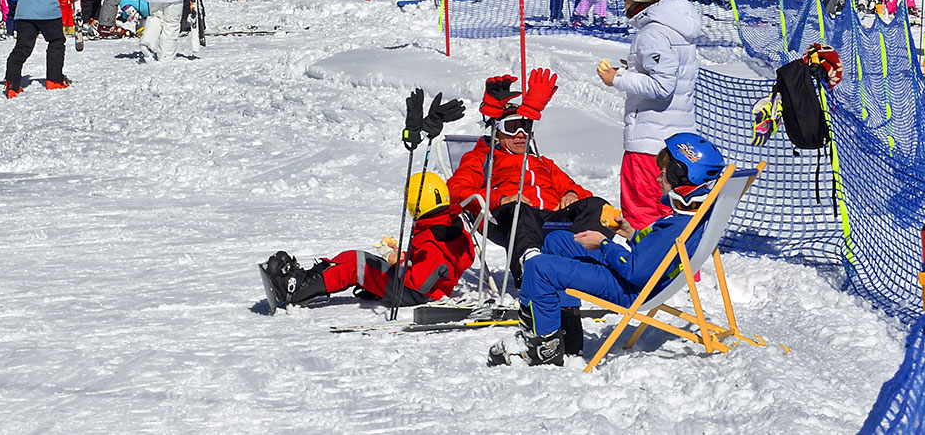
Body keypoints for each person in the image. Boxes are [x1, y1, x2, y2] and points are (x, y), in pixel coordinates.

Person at [515, 133, 723, 366]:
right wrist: (631, 234)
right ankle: (568, 333)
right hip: (640, 277)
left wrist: (603, 245)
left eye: (663, 173)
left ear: (680, 174)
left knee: (538, 266)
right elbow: (654, 255)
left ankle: (545, 347)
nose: (657, 178)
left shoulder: (677, 226)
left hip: (630, 289)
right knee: (559, 240)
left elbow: (635, 271)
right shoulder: (692, 218)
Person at [449, 71, 591, 278]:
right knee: (520, 209)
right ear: (497, 132)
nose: (520, 134)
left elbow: (579, 191)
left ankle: (595, 264)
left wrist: (571, 194)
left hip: (552, 218)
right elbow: (456, 191)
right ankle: (530, 267)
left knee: (596, 206)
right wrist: (501, 199)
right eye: (512, 127)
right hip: (509, 218)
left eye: (525, 127)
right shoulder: (482, 158)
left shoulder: (543, 163)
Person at [261, 174, 476, 309]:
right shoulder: (448, 225)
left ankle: (295, 289)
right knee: (353, 259)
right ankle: (309, 278)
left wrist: (398, 263)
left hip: (415, 294)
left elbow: (420, 281)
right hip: (419, 289)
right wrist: (406, 257)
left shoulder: (434, 238)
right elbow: (458, 259)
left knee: (357, 264)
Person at [602, 0, 699, 230]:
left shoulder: (653, 33)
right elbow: (670, 74)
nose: (623, 5)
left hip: (648, 142)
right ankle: (678, 269)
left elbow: (662, 86)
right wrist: (634, 69)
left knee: (642, 212)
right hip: (677, 140)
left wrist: (617, 78)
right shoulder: (675, 27)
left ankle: (646, 268)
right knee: (673, 214)